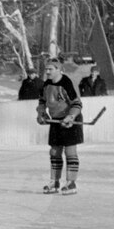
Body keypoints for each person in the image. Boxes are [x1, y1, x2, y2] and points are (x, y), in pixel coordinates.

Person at [37, 60, 83, 195]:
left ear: (58, 69)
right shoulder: (46, 84)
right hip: (55, 121)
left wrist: (71, 116)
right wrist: (41, 113)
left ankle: (71, 183)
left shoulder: (67, 83)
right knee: (54, 152)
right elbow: (42, 101)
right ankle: (55, 182)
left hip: (70, 121)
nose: (47, 72)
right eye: (46, 69)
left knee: (70, 151)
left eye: (50, 69)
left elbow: (77, 104)